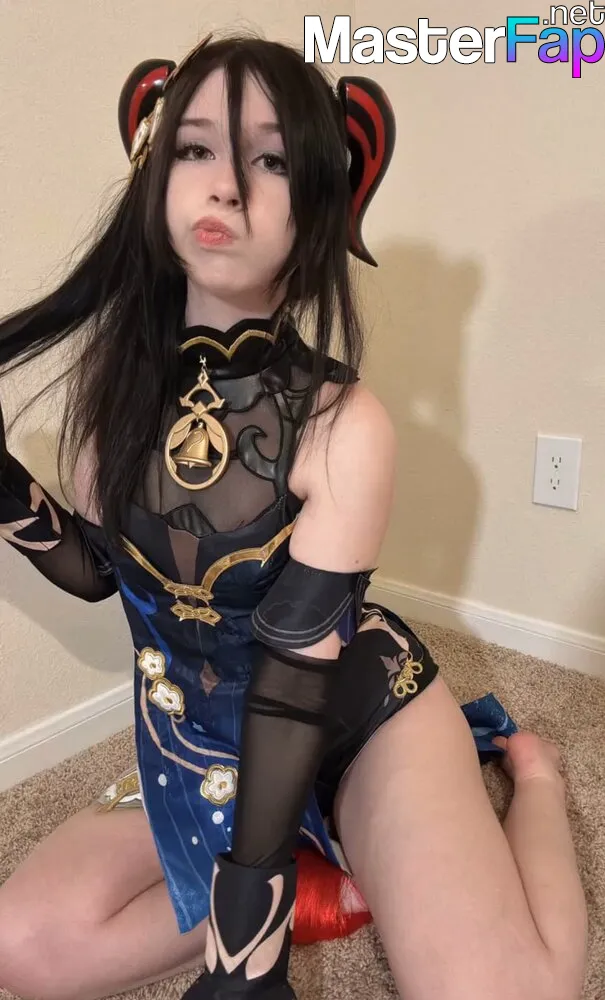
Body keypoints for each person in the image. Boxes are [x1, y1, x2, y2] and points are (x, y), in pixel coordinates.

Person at [0, 30, 587, 1000]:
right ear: (153, 176)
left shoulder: (342, 425)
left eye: (269, 160)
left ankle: (532, 779)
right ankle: (324, 876)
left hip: (348, 717)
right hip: (205, 745)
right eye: (195, 147)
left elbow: (288, 693)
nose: (225, 186)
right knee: (22, 947)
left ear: (320, 201)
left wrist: (247, 941)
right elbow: (108, 574)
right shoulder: (111, 409)